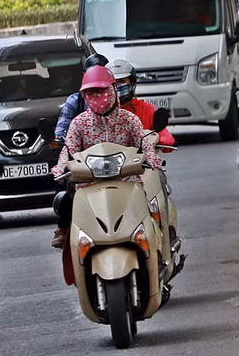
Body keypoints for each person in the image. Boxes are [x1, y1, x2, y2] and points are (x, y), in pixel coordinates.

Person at [51, 66, 164, 246]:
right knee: (77, 233)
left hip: (127, 184)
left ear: (113, 89)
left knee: (150, 221)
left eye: (101, 91)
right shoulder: (79, 123)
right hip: (88, 188)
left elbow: (144, 144)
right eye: (90, 92)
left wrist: (151, 159)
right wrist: (62, 166)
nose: (96, 96)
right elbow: (68, 150)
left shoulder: (129, 120)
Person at [107, 59, 175, 147]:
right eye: (114, 83)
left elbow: (164, 136)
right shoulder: (100, 114)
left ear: (132, 83)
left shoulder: (146, 109)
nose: (118, 86)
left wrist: (163, 140)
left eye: (122, 82)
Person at [54, 53, 110, 140]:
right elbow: (61, 131)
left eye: (101, 73)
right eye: (92, 73)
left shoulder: (118, 100)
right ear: (84, 75)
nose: (96, 77)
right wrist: (60, 138)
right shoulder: (75, 101)